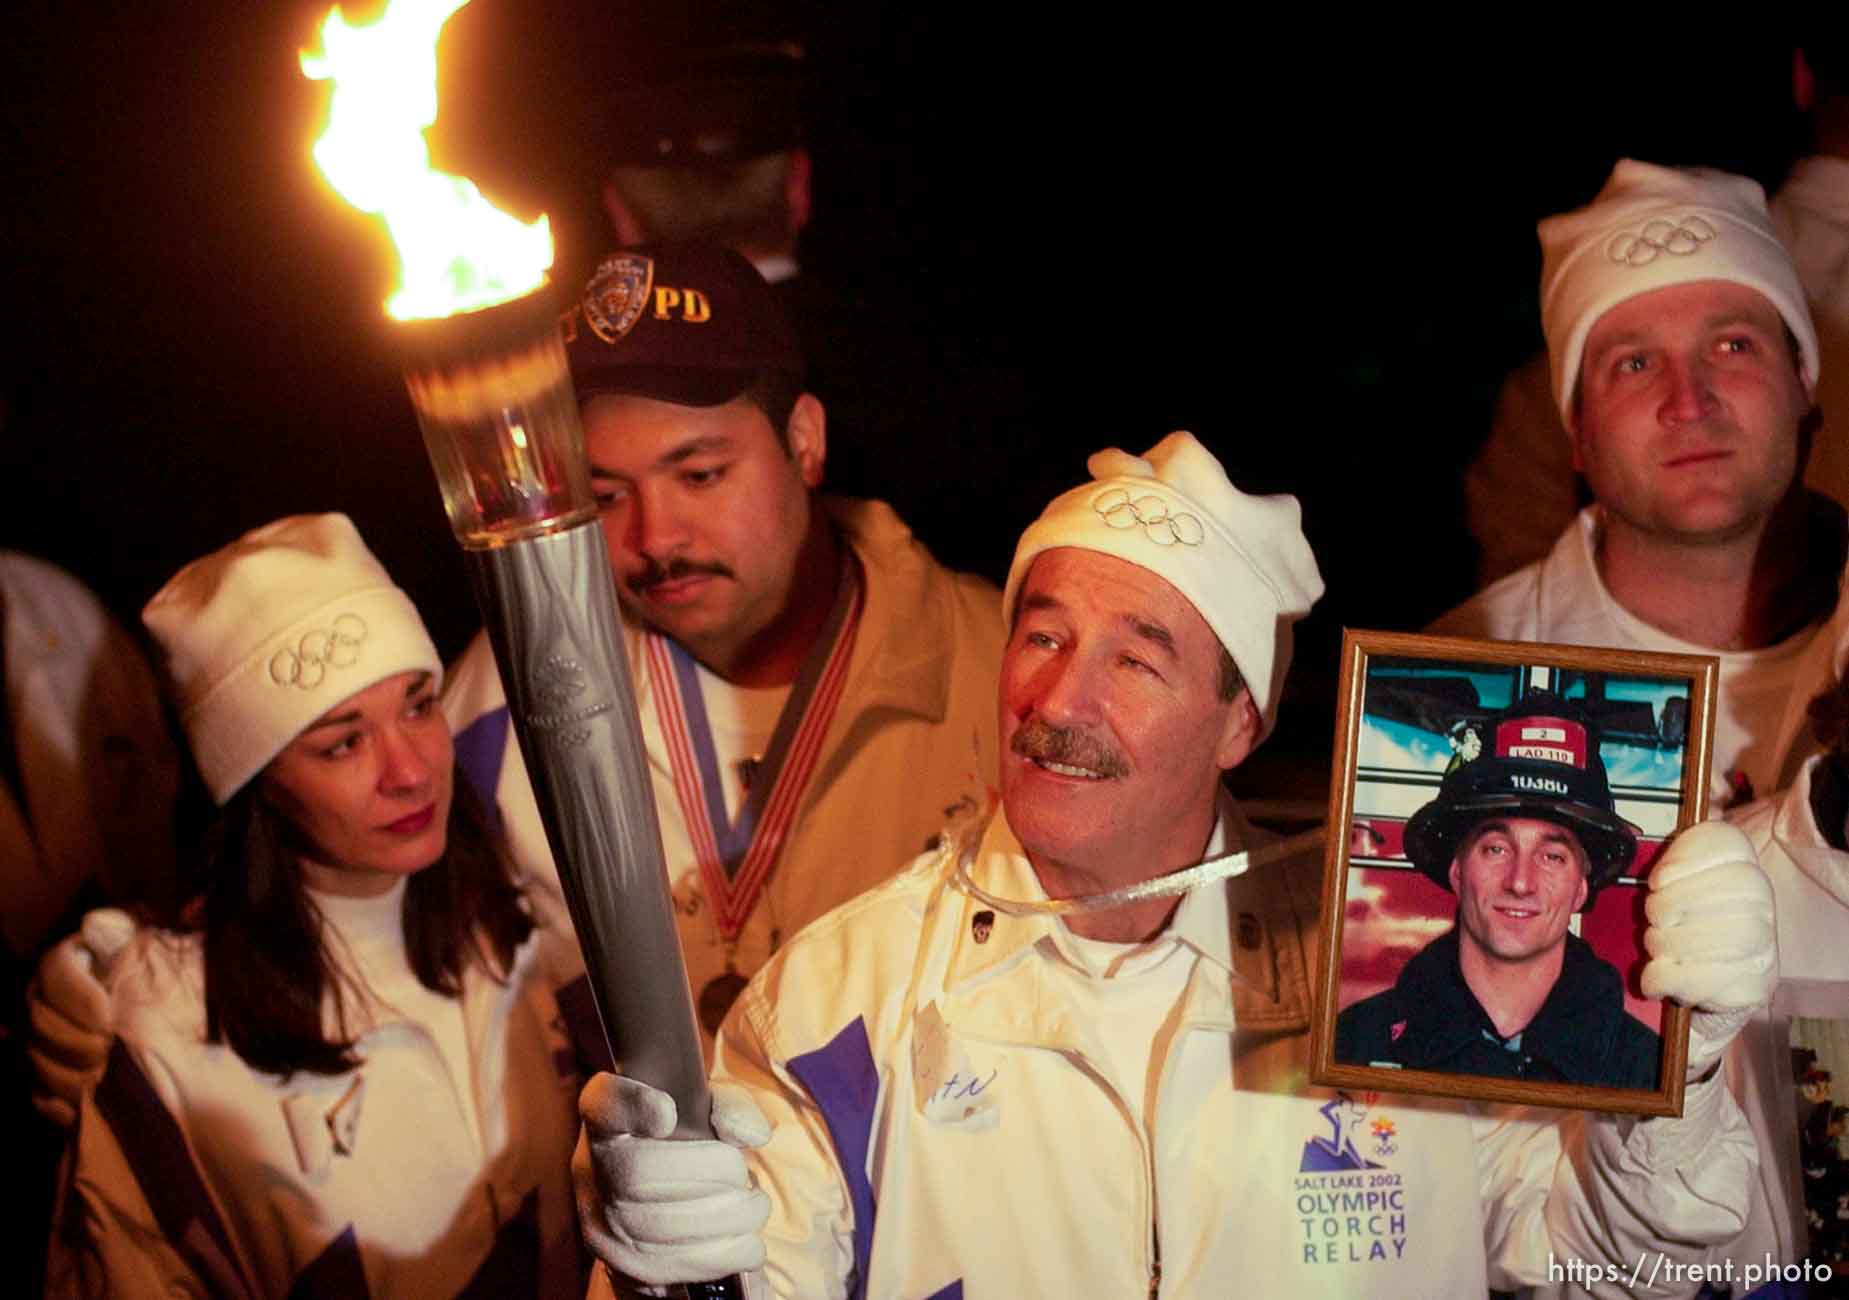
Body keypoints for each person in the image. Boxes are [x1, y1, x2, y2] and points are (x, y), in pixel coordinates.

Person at [575, 433, 1778, 1298]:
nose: (1059, 699)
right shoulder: (840, 997)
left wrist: (1678, 1068)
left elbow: (1619, 1272)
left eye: (1136, 661)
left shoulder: (1394, 979)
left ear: (1238, 724)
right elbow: (750, 1272)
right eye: (1041, 636)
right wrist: (667, 1268)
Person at [444, 243, 1002, 1048]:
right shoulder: (509, 696)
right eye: (604, 495)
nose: (655, 537)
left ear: (804, 441)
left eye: (699, 474)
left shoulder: (1000, 672)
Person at [45, 515, 586, 1298]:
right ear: (255, 781)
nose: (409, 770)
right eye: (342, 742)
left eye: (417, 704)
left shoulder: (515, 928)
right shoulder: (168, 1033)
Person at [1435, 159, 1848, 814]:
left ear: (1803, 383)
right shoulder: (1453, 704)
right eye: (1634, 364)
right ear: (1576, 430)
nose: (1688, 402)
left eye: (1733, 346)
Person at [1334, 691, 1660, 1088]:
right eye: (1496, 849)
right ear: (1456, 871)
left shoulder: (1646, 1072)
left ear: (1580, 889)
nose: (1520, 882)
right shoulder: (1354, 1046)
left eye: (1552, 856)